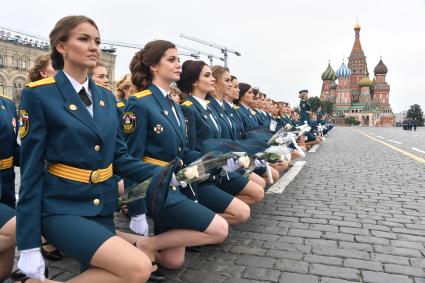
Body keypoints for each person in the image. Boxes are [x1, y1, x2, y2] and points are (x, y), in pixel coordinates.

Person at [16, 15, 167, 283]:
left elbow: (119, 157)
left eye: (97, 41)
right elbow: (30, 171)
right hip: (61, 209)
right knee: (139, 267)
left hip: (100, 207)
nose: (93, 46)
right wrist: (28, 244)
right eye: (83, 39)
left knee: (109, 275)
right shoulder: (38, 94)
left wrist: (165, 173)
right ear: (61, 46)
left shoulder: (106, 98)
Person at [123, 40, 229, 272]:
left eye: (178, 59)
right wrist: (137, 211)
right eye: (171, 59)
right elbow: (130, 160)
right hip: (156, 186)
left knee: (173, 261)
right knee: (219, 230)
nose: (178, 64)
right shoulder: (139, 103)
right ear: (154, 66)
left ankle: (134, 242)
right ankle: (142, 244)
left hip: (178, 181)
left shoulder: (172, 102)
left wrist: (214, 162)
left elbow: (183, 151)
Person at [179, 61, 265, 205]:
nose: (212, 79)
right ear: (194, 81)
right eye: (208, 76)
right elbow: (189, 148)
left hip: (221, 164)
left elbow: (222, 140)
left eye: (212, 76)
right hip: (205, 170)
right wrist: (219, 162)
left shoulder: (207, 108)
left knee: (258, 189)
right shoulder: (189, 107)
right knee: (254, 194)